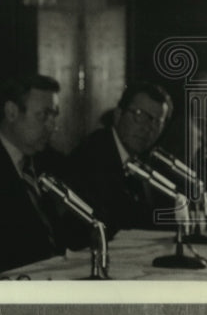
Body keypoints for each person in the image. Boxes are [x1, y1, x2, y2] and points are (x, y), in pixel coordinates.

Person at [0, 74, 85, 279]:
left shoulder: (55, 163)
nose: (52, 126)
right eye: (43, 115)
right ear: (11, 112)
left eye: (54, 116)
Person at [65, 82, 185, 237]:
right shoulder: (94, 152)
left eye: (157, 122)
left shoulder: (148, 159)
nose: (147, 128)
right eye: (139, 115)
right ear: (118, 115)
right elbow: (122, 219)